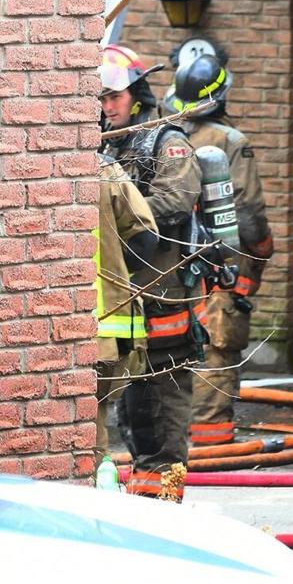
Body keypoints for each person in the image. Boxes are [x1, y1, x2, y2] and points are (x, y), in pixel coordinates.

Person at [98, 44, 203, 502]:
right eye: (98, 98)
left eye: (113, 97)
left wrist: (122, 213)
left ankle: (166, 498)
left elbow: (176, 201)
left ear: (137, 96)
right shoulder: (102, 145)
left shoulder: (167, 140)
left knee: (163, 395)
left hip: (162, 291)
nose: (105, 107)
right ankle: (147, 499)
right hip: (123, 292)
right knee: (133, 403)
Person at [163, 55, 273, 447]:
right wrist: (263, 253)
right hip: (220, 269)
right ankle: (212, 449)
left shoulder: (164, 135)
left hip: (171, 271)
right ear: (222, 96)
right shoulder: (231, 142)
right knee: (217, 353)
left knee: (176, 351)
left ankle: (178, 443)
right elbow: (247, 214)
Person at [93, 155, 158, 463]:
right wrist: (118, 274)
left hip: (51, 334)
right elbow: (144, 236)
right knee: (92, 431)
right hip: (105, 331)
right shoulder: (103, 171)